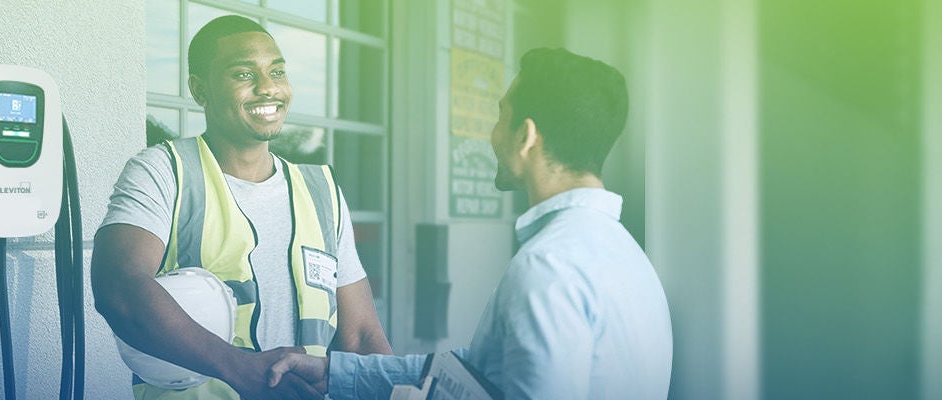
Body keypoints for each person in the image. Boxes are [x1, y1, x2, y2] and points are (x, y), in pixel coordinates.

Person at [267, 47, 674, 399]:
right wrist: (332, 373)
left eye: (501, 116)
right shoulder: (628, 257)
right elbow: (478, 370)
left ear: (525, 136)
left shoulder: (549, 265)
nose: (492, 134)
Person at [93, 15, 392, 400]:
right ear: (200, 91)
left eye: (277, 71)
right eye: (243, 74)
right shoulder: (163, 172)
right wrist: (243, 370)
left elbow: (363, 335)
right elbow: (118, 287)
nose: (268, 88)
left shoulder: (322, 190)